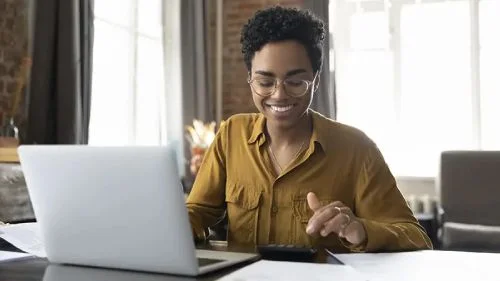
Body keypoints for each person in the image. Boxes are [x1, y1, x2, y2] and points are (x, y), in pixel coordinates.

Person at [186, 6, 432, 252]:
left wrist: (361, 230)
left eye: (295, 82)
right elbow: (198, 212)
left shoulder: (357, 150)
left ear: (316, 79)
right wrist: (176, 226)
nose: (279, 94)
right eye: (265, 82)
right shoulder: (231, 135)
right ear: (249, 77)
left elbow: (416, 238)